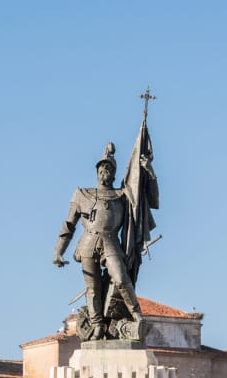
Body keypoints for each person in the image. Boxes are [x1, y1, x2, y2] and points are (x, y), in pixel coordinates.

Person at [53, 142, 158, 340]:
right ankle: (97, 325)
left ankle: (137, 315)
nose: (104, 171)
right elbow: (69, 225)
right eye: (101, 168)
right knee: (93, 289)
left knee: (120, 278)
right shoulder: (82, 194)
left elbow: (147, 198)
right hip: (87, 243)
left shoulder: (122, 196)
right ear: (97, 172)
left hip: (111, 242)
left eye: (108, 168)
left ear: (114, 173)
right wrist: (59, 251)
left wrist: (149, 172)